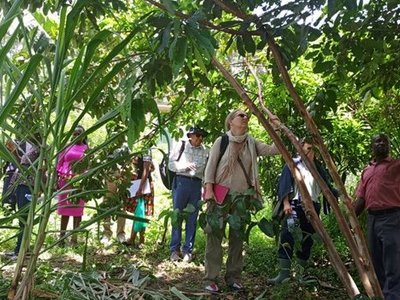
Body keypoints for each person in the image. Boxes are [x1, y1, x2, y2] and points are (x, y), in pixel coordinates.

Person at [202, 109, 280, 292]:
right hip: (220, 193)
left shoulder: (251, 142)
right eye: (241, 115)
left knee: (237, 238)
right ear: (231, 121)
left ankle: (233, 277)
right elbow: (210, 166)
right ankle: (210, 278)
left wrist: (276, 128)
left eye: (247, 116)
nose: (245, 117)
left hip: (242, 197)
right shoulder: (222, 141)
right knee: (214, 235)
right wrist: (209, 189)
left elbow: (274, 149)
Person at [268, 137, 338, 285]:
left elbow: (327, 187)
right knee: (288, 235)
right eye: (307, 149)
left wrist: (340, 195)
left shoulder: (318, 167)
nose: (309, 153)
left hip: (313, 207)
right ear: (300, 149)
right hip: (295, 206)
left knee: (307, 239)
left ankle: (301, 274)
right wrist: (286, 203)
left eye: (312, 150)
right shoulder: (293, 164)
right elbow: (285, 184)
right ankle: (284, 274)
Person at [353, 133, 400, 299]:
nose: (381, 143)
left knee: (392, 259)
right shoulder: (367, 171)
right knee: (376, 259)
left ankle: (393, 295)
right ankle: (381, 293)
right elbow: (361, 198)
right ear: (372, 146)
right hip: (372, 219)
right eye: (377, 141)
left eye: (384, 141)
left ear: (388, 145)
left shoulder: (396, 165)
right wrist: (350, 218)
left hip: (392, 218)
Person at [168, 126, 209, 262]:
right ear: (190, 135)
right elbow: (171, 165)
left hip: (196, 184)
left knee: (192, 218)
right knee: (177, 215)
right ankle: (174, 249)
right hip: (181, 181)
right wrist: (184, 167)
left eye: (202, 135)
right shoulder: (181, 146)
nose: (200, 138)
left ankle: (188, 250)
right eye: (197, 135)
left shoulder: (205, 151)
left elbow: (206, 172)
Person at [5, 137, 40, 259]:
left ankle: (21, 251)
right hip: (20, 184)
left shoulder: (39, 148)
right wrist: (13, 151)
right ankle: (19, 249)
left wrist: (40, 187)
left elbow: (43, 167)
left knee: (24, 219)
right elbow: (21, 163)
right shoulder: (29, 147)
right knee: (22, 218)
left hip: (29, 186)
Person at [56, 125, 88, 246]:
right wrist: (56, 180)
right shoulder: (66, 147)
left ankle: (74, 238)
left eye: (78, 133)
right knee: (65, 209)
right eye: (74, 133)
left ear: (84, 135)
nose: (76, 135)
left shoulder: (87, 148)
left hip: (80, 181)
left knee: (77, 210)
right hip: (65, 180)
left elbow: (89, 165)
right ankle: (61, 238)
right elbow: (59, 163)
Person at [124, 153, 155, 248]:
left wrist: (141, 188)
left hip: (143, 185)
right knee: (138, 211)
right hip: (137, 183)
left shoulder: (146, 151)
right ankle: (132, 238)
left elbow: (146, 169)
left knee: (141, 212)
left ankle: (141, 239)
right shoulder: (137, 148)